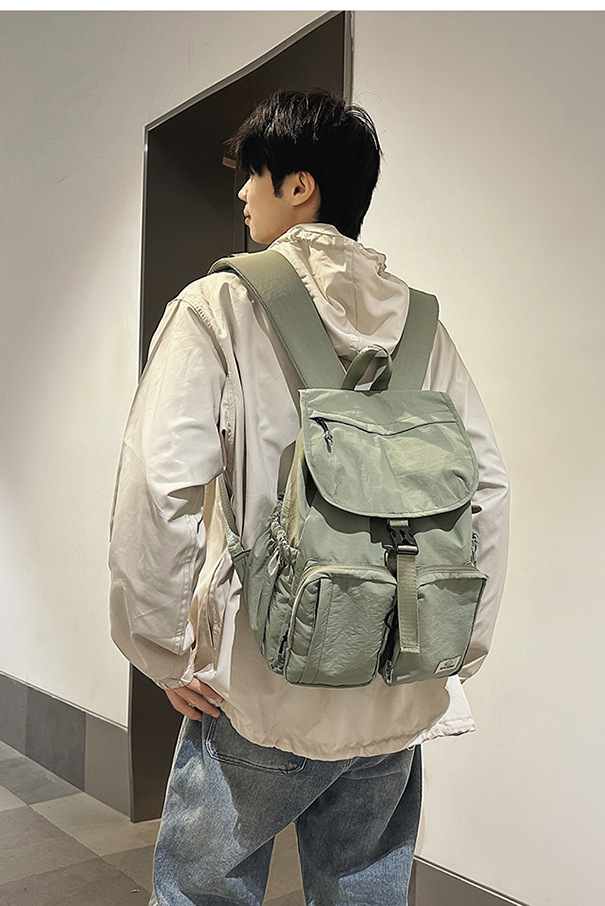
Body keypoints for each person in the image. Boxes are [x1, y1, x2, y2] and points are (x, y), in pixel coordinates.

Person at [109, 89, 509, 906]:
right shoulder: (423, 325)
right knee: (364, 892)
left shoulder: (219, 304)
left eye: (252, 175)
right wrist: (456, 645)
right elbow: (488, 491)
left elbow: (160, 479)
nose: (240, 193)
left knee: (204, 893)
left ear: (300, 186)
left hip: (264, 682)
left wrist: (162, 647)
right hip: (398, 676)